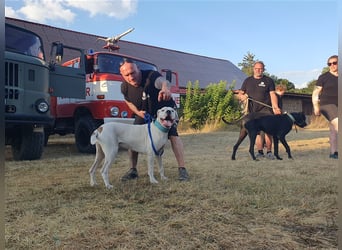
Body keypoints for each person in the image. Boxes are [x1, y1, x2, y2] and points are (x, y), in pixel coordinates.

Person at [119, 58, 190, 181]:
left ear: (138, 69)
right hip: (144, 114)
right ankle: (133, 170)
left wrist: (165, 88)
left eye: (133, 73)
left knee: (173, 135)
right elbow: (128, 101)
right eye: (127, 75)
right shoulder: (124, 87)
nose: (131, 77)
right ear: (122, 75)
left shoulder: (151, 76)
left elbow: (163, 81)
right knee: (132, 135)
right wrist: (137, 112)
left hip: (165, 112)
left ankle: (182, 170)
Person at [236, 61, 282, 159]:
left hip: (266, 110)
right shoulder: (247, 81)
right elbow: (240, 93)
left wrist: (275, 107)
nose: (258, 70)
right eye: (256, 69)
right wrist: (242, 97)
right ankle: (260, 152)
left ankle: (269, 152)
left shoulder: (269, 81)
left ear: (263, 69)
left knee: (268, 131)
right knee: (256, 132)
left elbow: (272, 94)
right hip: (253, 111)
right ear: (253, 69)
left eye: (260, 69)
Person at [312, 55, 338, 159]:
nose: (332, 65)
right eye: (329, 64)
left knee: (333, 129)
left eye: (334, 63)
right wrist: (316, 107)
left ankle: (333, 153)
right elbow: (315, 93)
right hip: (326, 104)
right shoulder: (323, 77)